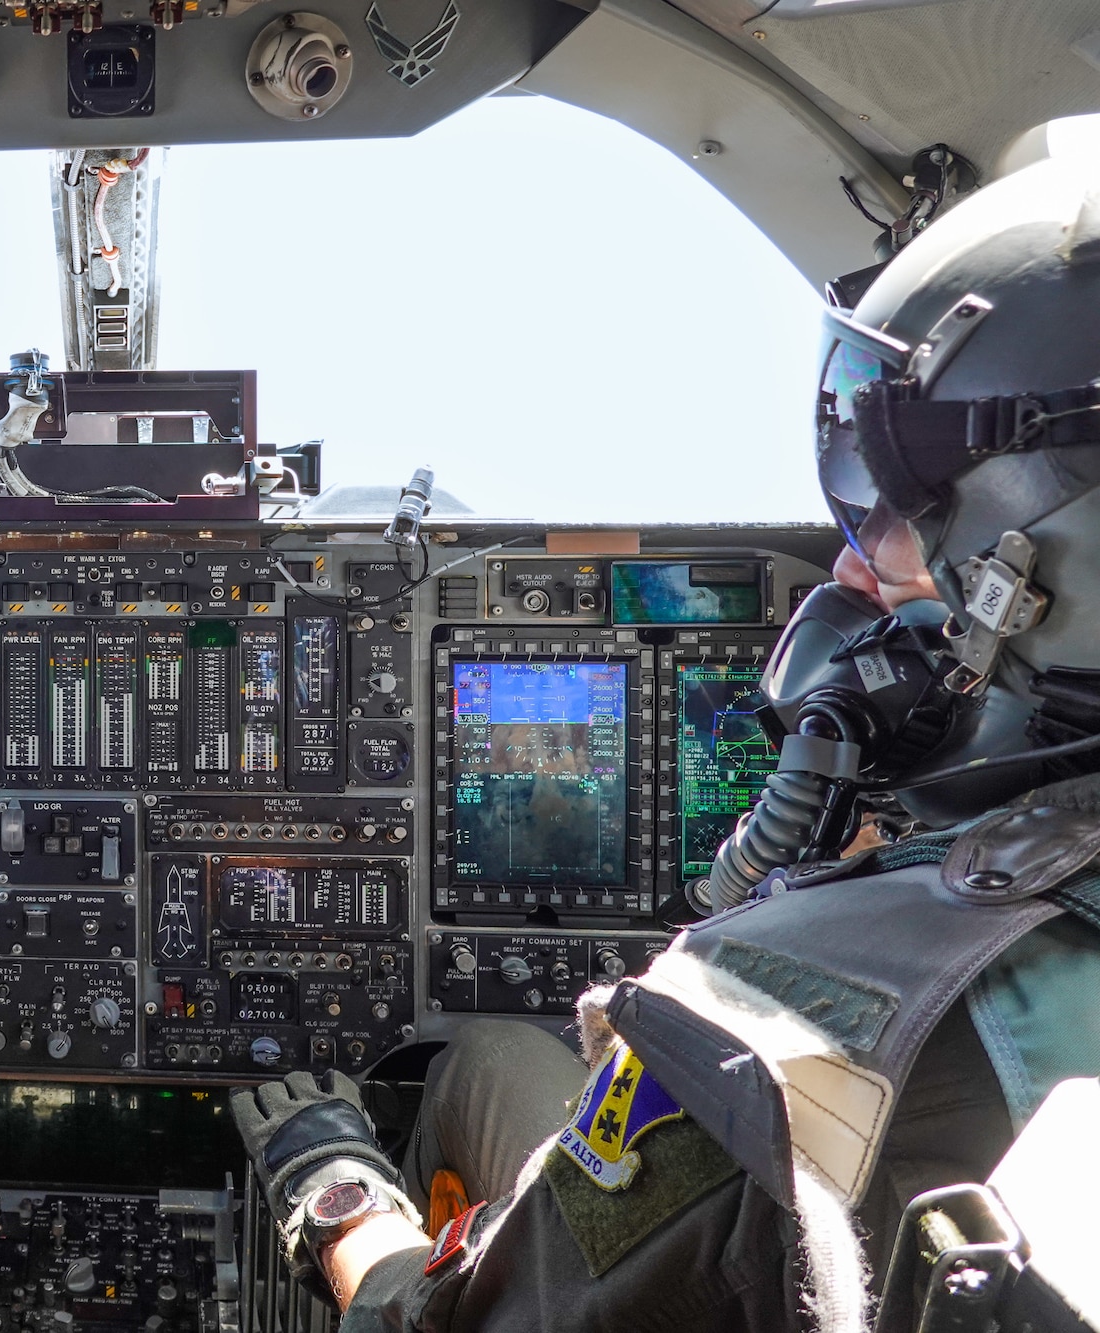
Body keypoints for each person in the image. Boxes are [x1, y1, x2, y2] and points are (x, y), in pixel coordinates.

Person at [235, 152, 1100, 1333]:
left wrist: (331, 1191)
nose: (846, 567)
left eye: (885, 516)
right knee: (496, 1049)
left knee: (466, 1070)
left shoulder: (795, 1022)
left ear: (1031, 577)